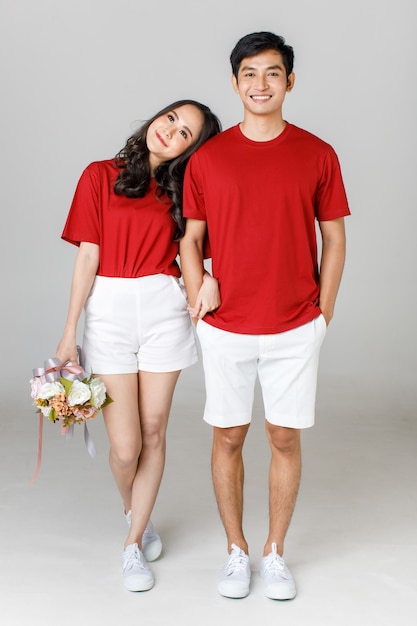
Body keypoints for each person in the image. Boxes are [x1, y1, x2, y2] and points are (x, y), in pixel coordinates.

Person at [180, 32, 350, 600]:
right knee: (228, 435)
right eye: (249, 74)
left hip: (296, 326)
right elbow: (191, 239)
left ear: (290, 82)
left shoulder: (318, 153)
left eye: (272, 74)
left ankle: (275, 551)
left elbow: (333, 237)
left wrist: (323, 313)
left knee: (283, 437)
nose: (260, 84)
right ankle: (236, 550)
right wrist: (197, 288)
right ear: (235, 83)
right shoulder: (207, 158)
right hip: (225, 326)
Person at [56, 100, 221, 592]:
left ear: (192, 150)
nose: (171, 132)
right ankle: (136, 509)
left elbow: (197, 250)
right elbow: (88, 256)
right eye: (171, 118)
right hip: (108, 309)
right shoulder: (98, 175)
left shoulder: (187, 193)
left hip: (164, 310)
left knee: (153, 429)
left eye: (186, 133)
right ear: (157, 118)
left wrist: (209, 279)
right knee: (124, 448)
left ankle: (133, 543)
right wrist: (69, 332)